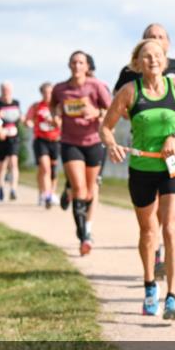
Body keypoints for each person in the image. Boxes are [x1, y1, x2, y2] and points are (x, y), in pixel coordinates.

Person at [101, 39, 175, 320]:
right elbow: (106, 127)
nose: (153, 61)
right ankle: (150, 286)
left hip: (172, 167)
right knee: (148, 232)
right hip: (141, 168)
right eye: (146, 57)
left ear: (165, 59)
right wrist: (111, 145)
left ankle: (172, 297)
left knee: (170, 228)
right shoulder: (129, 91)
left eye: (157, 55)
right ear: (137, 63)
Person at [114, 23, 175, 278]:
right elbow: (116, 105)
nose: (155, 41)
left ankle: (164, 263)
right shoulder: (129, 77)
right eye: (150, 38)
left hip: (173, 158)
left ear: (168, 45)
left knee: (169, 224)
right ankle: (153, 263)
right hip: (143, 157)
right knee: (149, 225)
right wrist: (139, 115)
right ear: (139, 50)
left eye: (160, 37)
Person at [51, 50, 112, 256]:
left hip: (93, 142)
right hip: (70, 143)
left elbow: (111, 109)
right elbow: (54, 106)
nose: (77, 66)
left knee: (89, 190)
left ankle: (87, 228)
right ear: (69, 65)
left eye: (81, 62)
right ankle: (84, 236)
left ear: (87, 67)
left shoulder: (96, 86)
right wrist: (56, 114)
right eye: (74, 62)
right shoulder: (60, 89)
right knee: (79, 187)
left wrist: (96, 113)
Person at [24, 82, 61, 208]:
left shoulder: (58, 107)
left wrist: (56, 122)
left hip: (55, 140)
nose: (48, 95)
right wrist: (28, 123)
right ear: (41, 93)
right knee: (45, 168)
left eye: (50, 92)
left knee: (53, 171)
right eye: (45, 92)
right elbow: (27, 119)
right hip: (40, 140)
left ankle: (51, 193)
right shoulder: (36, 106)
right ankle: (46, 194)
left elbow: (63, 124)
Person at [0, 82, 22, 202]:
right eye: (4, 89)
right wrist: (0, 131)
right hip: (1, 138)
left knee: (14, 162)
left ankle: (13, 189)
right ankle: (1, 187)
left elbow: (19, 118)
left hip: (14, 137)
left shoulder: (16, 103)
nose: (6, 91)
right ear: (1, 90)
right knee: (2, 165)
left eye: (8, 89)